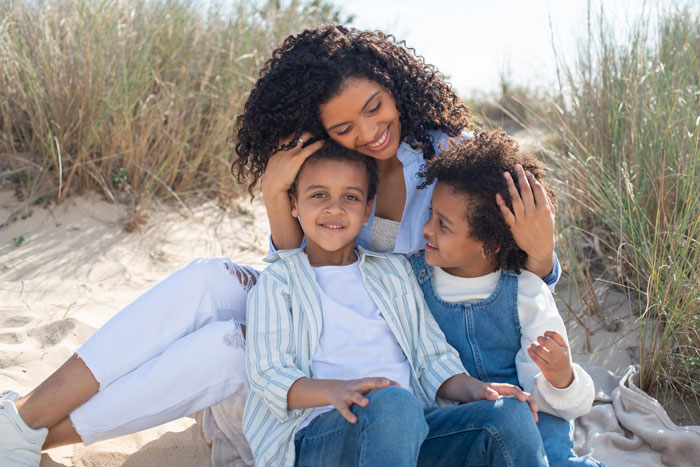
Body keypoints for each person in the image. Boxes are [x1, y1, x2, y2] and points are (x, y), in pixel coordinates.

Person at [1, 25, 558, 464]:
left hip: (405, 327)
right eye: (343, 128)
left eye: (373, 107)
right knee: (207, 283)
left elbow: (507, 274)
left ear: (394, 83)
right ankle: (25, 421)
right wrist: (275, 191)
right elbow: (302, 258)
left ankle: (35, 435)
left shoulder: (454, 156)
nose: (366, 133)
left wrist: (542, 253)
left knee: (228, 348)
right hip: (325, 299)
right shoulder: (344, 165)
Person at [244, 140, 548, 466]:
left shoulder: (391, 270)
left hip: (412, 430)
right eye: (319, 195)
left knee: (509, 413)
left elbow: (431, 358)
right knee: (392, 403)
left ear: (366, 210)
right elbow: (268, 373)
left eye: (351, 197)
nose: (334, 208)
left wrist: (478, 390)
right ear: (294, 204)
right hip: (319, 436)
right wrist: (336, 391)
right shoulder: (280, 281)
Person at [409, 129, 601, 466]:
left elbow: (552, 394)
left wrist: (560, 377)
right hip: (461, 425)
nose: (426, 229)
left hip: (531, 418)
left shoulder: (526, 290)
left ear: (490, 244)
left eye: (443, 224)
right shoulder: (414, 280)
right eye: (430, 215)